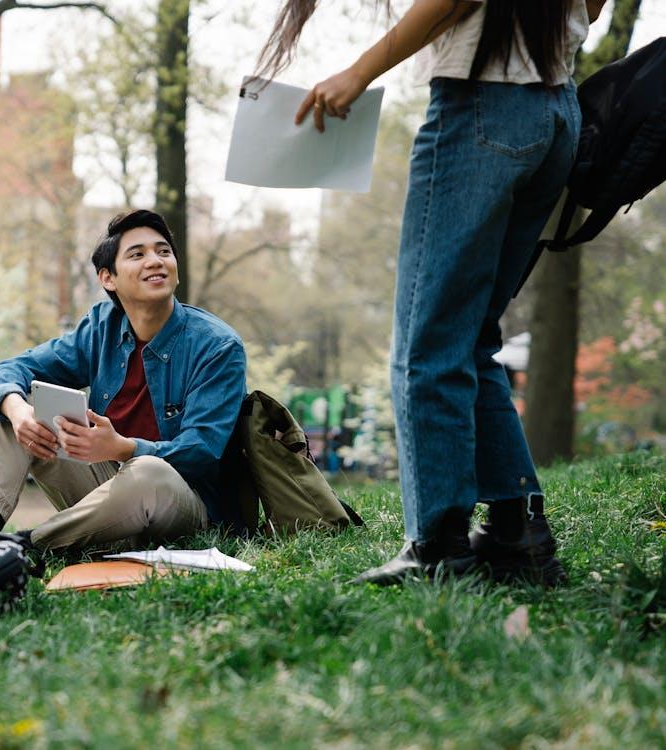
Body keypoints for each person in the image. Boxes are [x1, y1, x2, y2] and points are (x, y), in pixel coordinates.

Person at [255, 0, 605, 585]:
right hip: (555, 113)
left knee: (426, 343)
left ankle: (439, 546)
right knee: (470, 338)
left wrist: (358, 73)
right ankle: (517, 533)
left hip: (482, 108)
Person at [0, 210, 247, 551]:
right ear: (108, 278)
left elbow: (201, 451)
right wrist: (17, 410)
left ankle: (23, 546)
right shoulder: (101, 327)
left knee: (147, 472)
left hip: (182, 507)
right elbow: (8, 370)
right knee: (16, 406)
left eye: (163, 251)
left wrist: (122, 447)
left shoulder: (217, 346)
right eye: (137, 254)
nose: (155, 261)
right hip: (106, 499)